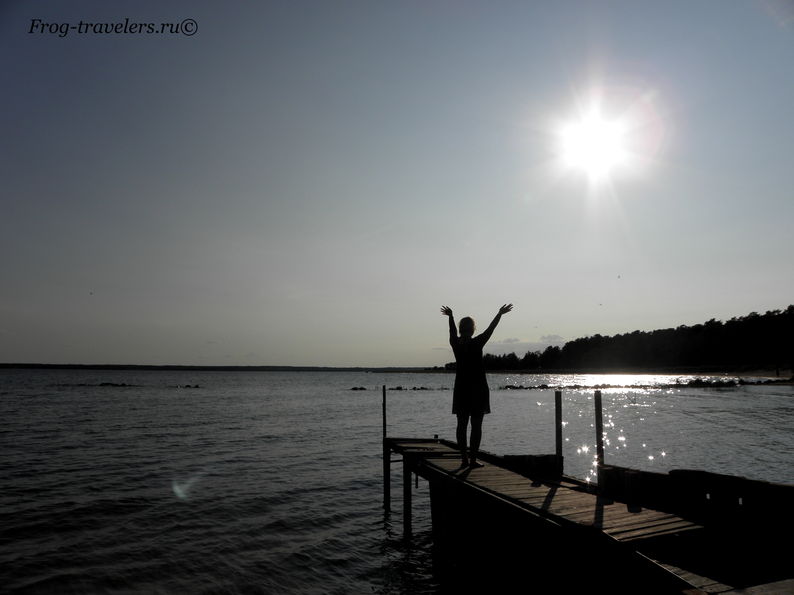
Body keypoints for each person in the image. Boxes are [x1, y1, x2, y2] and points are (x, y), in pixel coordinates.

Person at [441, 303, 513, 468]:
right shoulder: (477, 342)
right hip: (478, 387)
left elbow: (451, 332)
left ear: (461, 329)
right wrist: (499, 314)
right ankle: (472, 460)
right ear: (472, 329)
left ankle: (464, 459)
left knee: (461, 424)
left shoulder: (456, 343)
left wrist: (451, 317)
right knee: (476, 426)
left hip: (462, 388)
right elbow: (490, 329)